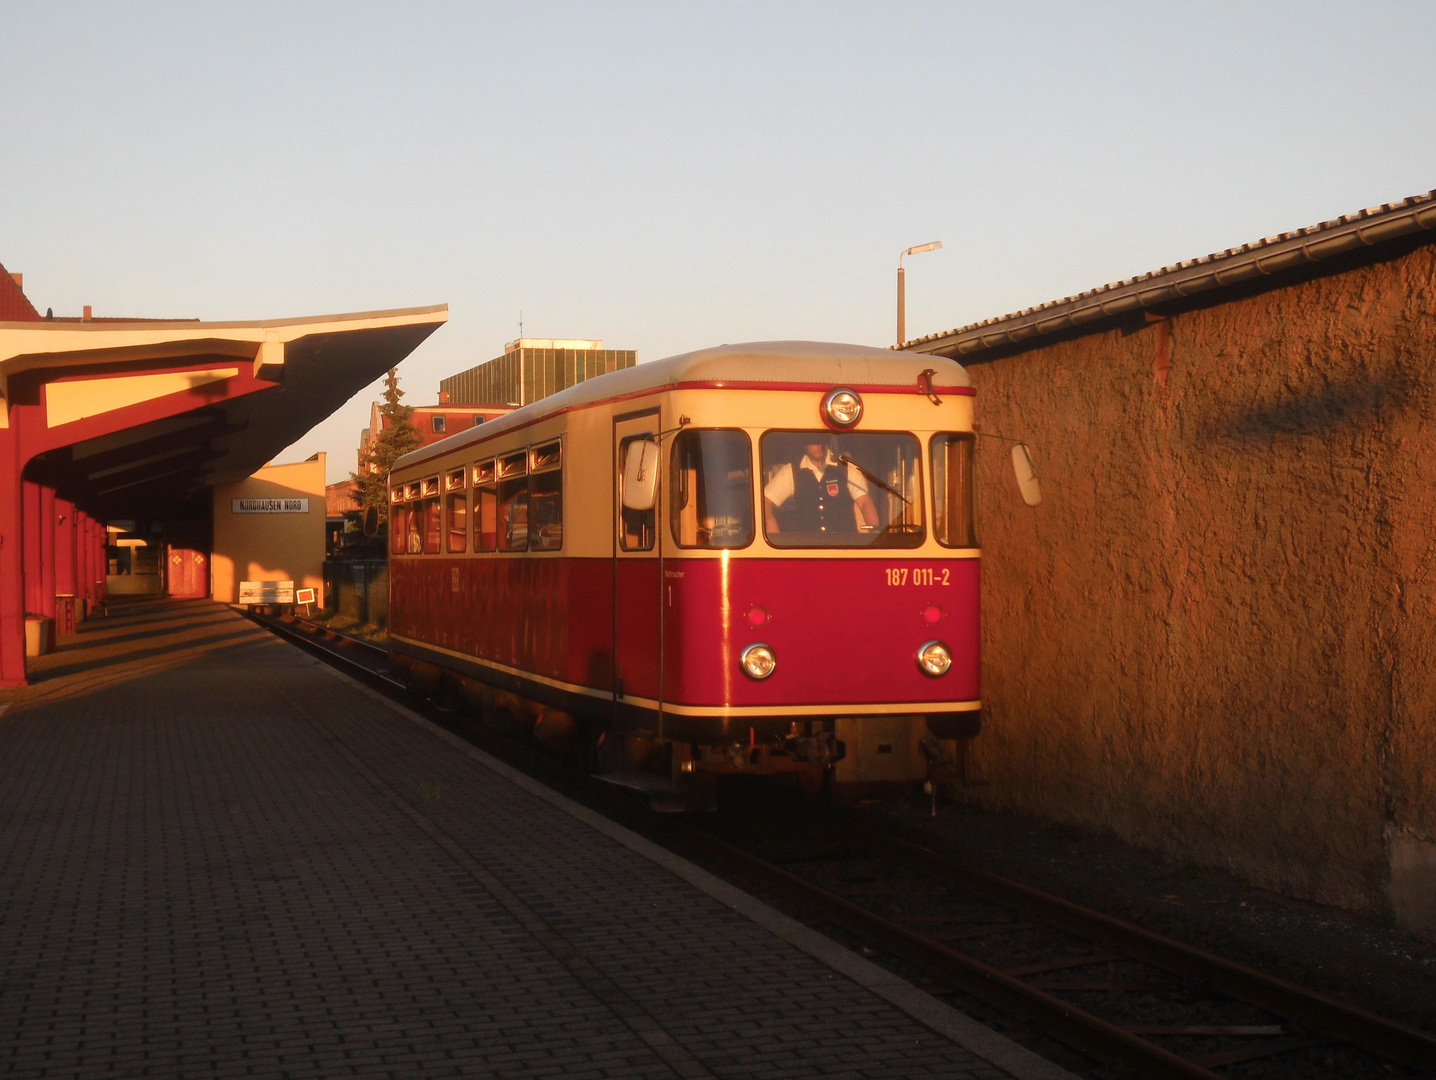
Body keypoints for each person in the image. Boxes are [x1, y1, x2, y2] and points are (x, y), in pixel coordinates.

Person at [764, 437, 880, 535]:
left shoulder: (846, 468)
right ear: (805, 445)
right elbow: (765, 501)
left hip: (844, 546)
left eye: (822, 441)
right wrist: (772, 529)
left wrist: (874, 535)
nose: (819, 445)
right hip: (807, 549)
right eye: (814, 441)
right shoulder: (791, 471)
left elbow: (865, 503)